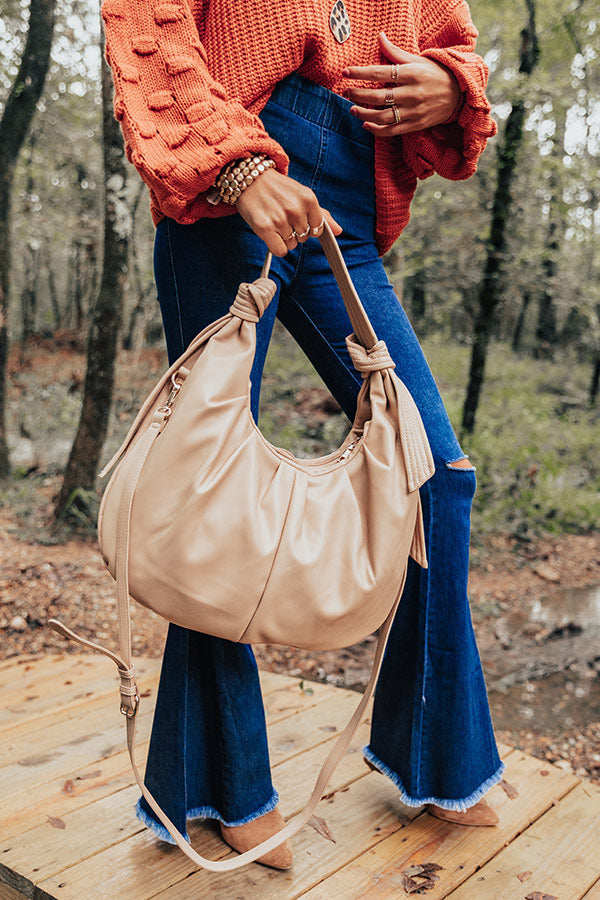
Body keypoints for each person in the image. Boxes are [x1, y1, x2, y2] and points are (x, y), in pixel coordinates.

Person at [101, 0, 504, 870]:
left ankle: (436, 755)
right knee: (212, 490)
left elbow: (455, 46)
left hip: (347, 208)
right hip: (228, 181)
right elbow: (147, 26)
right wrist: (237, 170)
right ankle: (218, 788)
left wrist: (453, 86)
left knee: (435, 473)